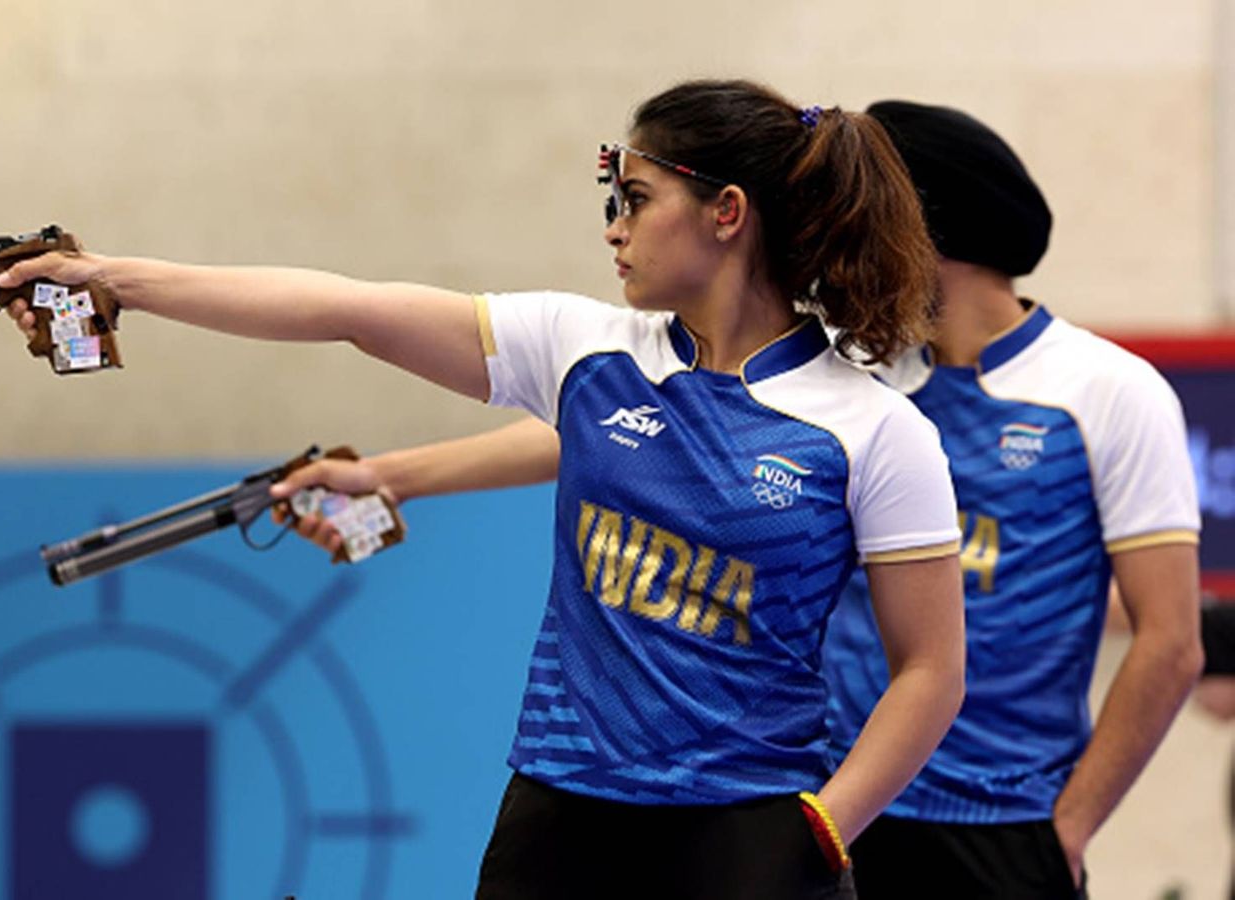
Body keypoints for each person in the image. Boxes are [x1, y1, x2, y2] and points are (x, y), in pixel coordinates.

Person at [0, 79, 967, 899]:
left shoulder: (875, 432)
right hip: (558, 811)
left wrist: (823, 831)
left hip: (751, 835)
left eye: (633, 197)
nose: (613, 228)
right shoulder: (584, 350)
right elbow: (346, 310)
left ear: (725, 213)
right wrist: (113, 278)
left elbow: (928, 670)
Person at [278, 99, 1206, 899]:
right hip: (837, 797)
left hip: (1004, 822)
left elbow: (1169, 642)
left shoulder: (1107, 393)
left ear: (930, 225)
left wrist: (1069, 831)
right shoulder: (855, 368)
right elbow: (617, 438)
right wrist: (399, 476)